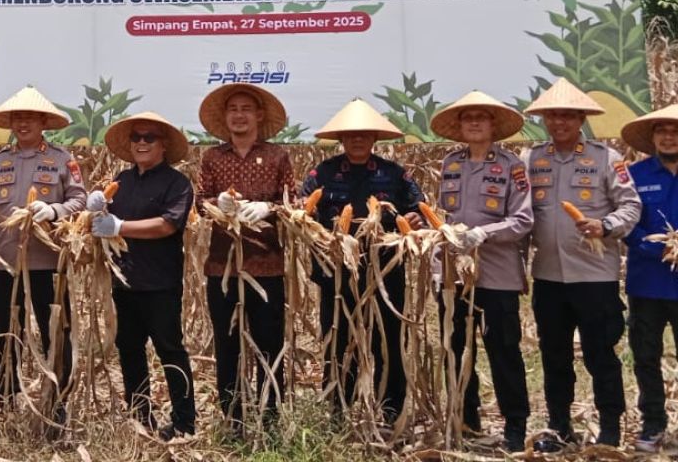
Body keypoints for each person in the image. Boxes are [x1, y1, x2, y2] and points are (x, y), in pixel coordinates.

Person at [522, 79, 640, 451]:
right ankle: (559, 429)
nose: (560, 122)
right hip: (548, 277)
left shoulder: (607, 159)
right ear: (544, 119)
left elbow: (631, 206)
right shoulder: (531, 160)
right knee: (554, 355)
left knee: (600, 354)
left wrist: (604, 225)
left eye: (568, 116)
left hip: (595, 276)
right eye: (553, 115)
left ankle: (609, 429)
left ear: (581, 119)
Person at [0, 86, 85, 426]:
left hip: (48, 265)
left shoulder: (62, 160)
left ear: (43, 121)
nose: (23, 123)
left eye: (30, 117)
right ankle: (6, 401)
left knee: (56, 335)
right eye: (18, 117)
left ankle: (58, 403)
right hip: (6, 265)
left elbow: (80, 200)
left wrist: (54, 210)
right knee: (4, 332)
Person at [300, 98, 424, 422]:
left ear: (375, 138)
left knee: (387, 341)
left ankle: (390, 411)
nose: (357, 140)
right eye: (351, 135)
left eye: (364, 134)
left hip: (385, 271)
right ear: (341, 138)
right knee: (338, 340)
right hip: (337, 274)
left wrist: (414, 219)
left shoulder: (394, 174)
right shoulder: (322, 174)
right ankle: (339, 409)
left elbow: (418, 207)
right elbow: (303, 214)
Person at [429, 91, 533, 452]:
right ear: (459, 126)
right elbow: (442, 216)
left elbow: (522, 220)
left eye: (481, 117)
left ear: (493, 125)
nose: (474, 122)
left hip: (496, 275)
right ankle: (465, 420)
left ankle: (516, 426)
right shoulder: (450, 164)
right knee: (455, 349)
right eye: (467, 117)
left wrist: (482, 234)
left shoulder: (511, 166)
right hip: (452, 277)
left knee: (504, 351)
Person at [90, 110, 195, 440]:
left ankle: (184, 422)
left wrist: (121, 227)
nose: (142, 143)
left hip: (160, 282)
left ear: (163, 145)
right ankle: (140, 417)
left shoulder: (177, 184)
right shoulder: (121, 182)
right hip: (125, 280)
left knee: (169, 349)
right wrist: (97, 211)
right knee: (129, 347)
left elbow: (167, 224)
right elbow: (103, 224)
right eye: (136, 137)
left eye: (149, 137)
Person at [196, 82, 296, 425]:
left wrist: (268, 207)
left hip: (266, 265)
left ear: (259, 115)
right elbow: (200, 201)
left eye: (245, 109)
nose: (239, 116)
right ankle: (233, 417)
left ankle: (270, 415)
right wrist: (217, 204)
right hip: (221, 265)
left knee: (269, 343)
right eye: (233, 110)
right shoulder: (212, 157)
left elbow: (293, 206)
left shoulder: (277, 156)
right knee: (227, 345)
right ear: (225, 118)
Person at [621, 103, 678, 453]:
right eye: (662, 130)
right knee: (645, 355)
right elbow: (626, 224)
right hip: (647, 283)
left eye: (675, 131)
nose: (669, 136)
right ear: (653, 137)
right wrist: (659, 249)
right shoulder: (635, 175)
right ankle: (653, 422)